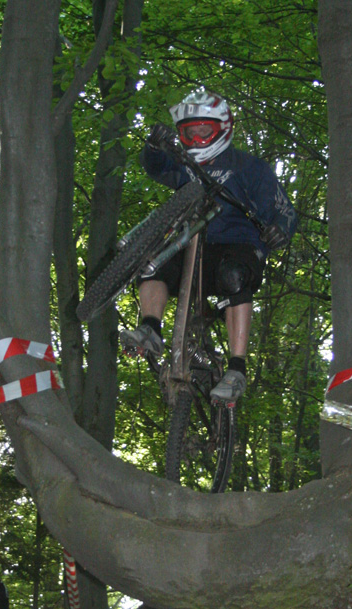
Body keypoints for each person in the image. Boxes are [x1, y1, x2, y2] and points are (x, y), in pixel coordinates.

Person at [120, 90, 298, 406]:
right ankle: (150, 329)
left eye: (204, 130)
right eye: (189, 132)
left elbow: (283, 209)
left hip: (238, 247)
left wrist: (280, 230)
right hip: (192, 243)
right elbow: (157, 167)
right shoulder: (185, 165)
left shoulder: (249, 167)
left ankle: (237, 368)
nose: (197, 139)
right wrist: (153, 146)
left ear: (223, 128)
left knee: (233, 276)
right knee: (154, 261)